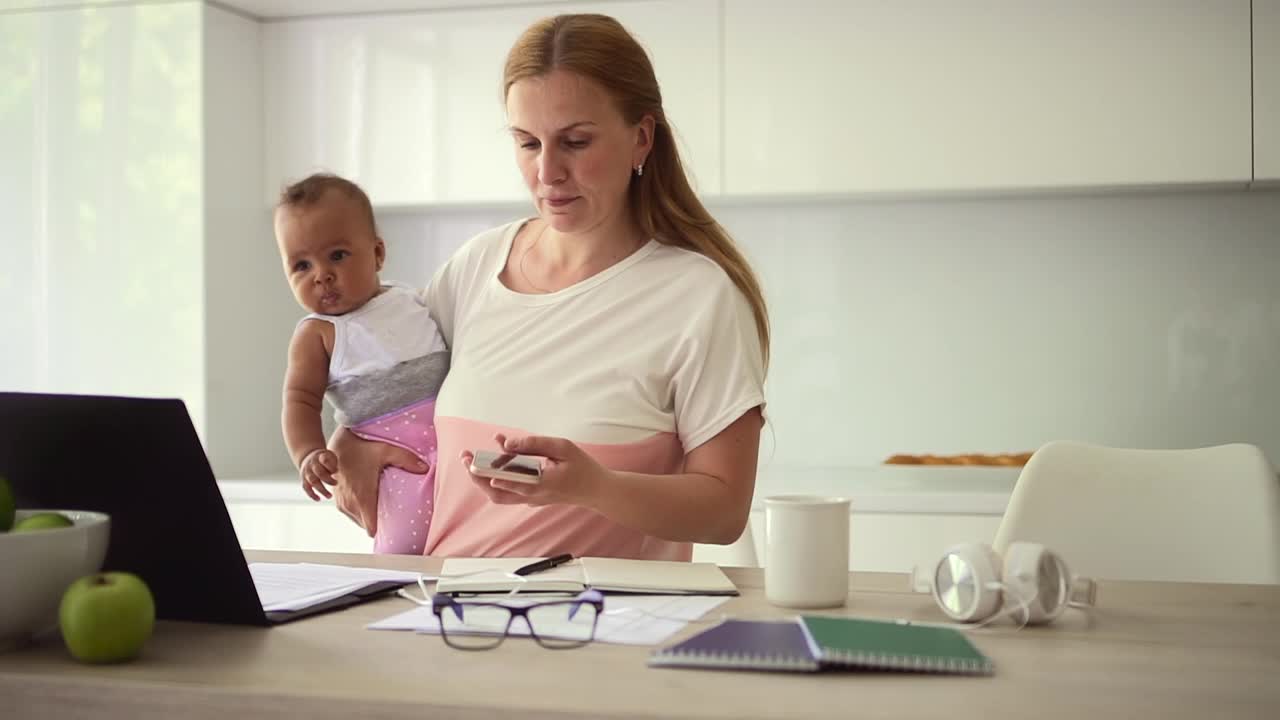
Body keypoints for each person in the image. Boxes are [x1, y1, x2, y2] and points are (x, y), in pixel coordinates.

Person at [324, 13, 771, 561]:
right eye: (528, 142)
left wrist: (592, 486)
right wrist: (353, 440)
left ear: (642, 139)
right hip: (438, 617)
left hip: (602, 630)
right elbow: (392, 387)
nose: (548, 171)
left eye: (576, 142)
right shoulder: (476, 267)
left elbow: (724, 511)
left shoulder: (698, 297)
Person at [275, 173, 449, 554]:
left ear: (378, 253)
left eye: (337, 255)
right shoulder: (318, 334)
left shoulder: (410, 299)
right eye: (301, 266)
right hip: (389, 456)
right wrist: (308, 453)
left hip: (450, 440)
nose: (322, 275)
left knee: (465, 534)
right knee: (406, 542)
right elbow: (300, 401)